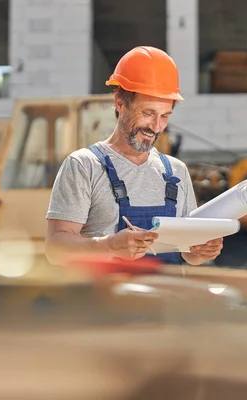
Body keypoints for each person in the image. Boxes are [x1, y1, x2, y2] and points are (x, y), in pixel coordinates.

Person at [44, 46, 223, 266]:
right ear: (120, 102)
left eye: (165, 116)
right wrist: (109, 245)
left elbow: (189, 254)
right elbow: (55, 248)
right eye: (148, 113)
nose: (156, 127)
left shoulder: (176, 172)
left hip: (166, 298)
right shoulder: (84, 166)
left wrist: (203, 250)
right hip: (102, 299)